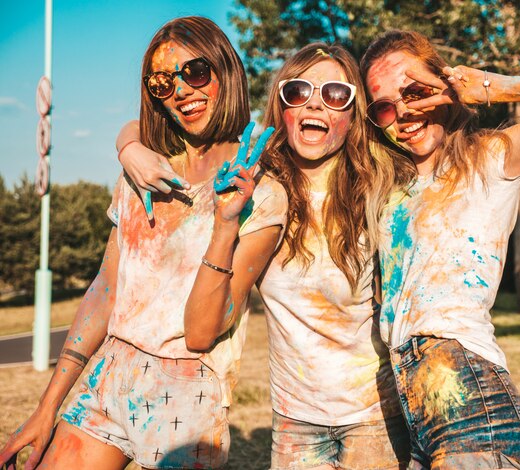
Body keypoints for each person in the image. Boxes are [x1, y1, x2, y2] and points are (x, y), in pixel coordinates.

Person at [0, 16, 287, 470]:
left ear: (226, 71)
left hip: (187, 392)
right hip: (111, 372)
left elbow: (201, 333)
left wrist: (226, 221)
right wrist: (47, 405)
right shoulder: (140, 175)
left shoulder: (264, 195)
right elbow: (105, 290)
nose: (182, 90)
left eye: (195, 72)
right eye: (162, 82)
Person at [115, 43, 414, 470]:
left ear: (352, 114)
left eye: (334, 94)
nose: (314, 102)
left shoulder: (384, 189)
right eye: (297, 92)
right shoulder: (258, 188)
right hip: (295, 423)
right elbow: (147, 130)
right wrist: (128, 146)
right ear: (282, 106)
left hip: (375, 418)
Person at [360, 29, 520, 469]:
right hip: (413, 409)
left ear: (446, 82)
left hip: (470, 402)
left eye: (416, 91)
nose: (405, 111)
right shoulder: (388, 189)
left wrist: (495, 86)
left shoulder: (491, 157)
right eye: (386, 106)